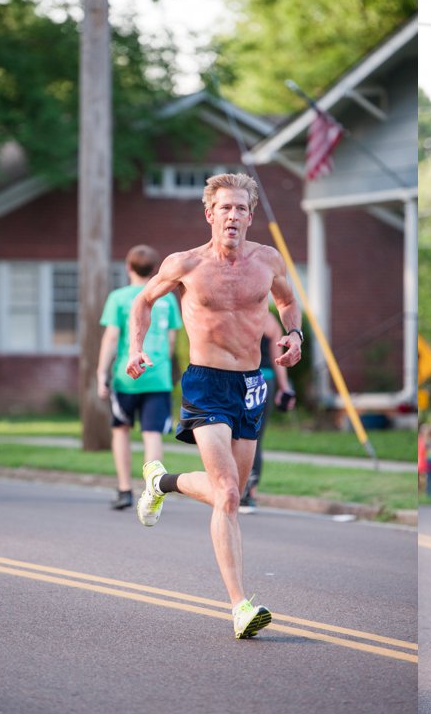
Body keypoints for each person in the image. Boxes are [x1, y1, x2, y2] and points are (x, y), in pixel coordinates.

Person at [125, 172, 303, 640]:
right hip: (205, 383)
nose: (233, 215)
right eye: (225, 207)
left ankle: (160, 481)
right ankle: (240, 606)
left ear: (251, 216)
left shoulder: (268, 261)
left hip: (251, 384)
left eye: (241, 208)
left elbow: (287, 301)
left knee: (233, 494)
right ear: (210, 213)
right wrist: (135, 349)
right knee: (225, 492)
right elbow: (142, 302)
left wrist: (294, 334)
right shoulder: (185, 264)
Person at [96, 245, 182, 510]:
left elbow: (112, 338)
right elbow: (171, 341)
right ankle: (151, 491)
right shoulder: (167, 299)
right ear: (154, 269)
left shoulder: (118, 298)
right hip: (158, 375)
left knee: (121, 430)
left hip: (127, 375)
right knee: (152, 434)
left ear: (128, 268)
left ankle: (124, 490)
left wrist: (101, 373)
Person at [239, 310, 297, 514]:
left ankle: (235, 489)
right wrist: (284, 388)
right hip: (265, 380)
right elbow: (277, 358)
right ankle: (249, 493)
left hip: (239, 377)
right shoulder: (270, 320)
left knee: (232, 435)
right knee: (254, 437)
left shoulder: (236, 312)